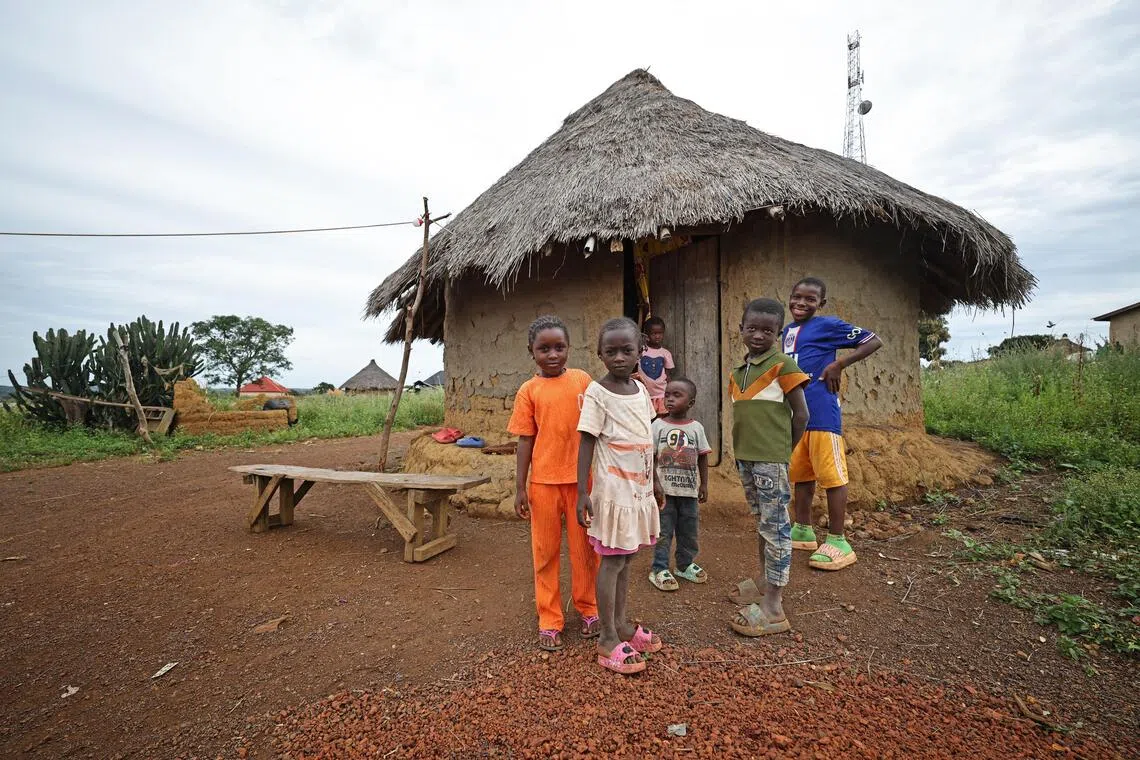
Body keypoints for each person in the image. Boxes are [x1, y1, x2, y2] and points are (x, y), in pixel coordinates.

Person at [576, 317, 664, 674]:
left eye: (626, 350)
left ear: (640, 352)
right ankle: (608, 637)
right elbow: (586, 441)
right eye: (610, 351)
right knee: (612, 561)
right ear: (599, 354)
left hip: (638, 490)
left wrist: (654, 479)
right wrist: (583, 491)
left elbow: (646, 438)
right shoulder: (598, 393)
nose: (618, 358)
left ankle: (624, 624)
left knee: (627, 559)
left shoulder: (642, 391)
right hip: (613, 493)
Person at [507, 315, 600, 651]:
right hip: (543, 485)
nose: (552, 354)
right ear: (532, 352)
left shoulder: (583, 381)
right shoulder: (528, 390)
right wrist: (520, 487)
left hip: (581, 484)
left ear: (569, 349)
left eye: (559, 347)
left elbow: (596, 428)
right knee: (544, 553)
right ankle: (549, 618)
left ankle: (589, 608)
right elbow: (525, 441)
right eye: (543, 348)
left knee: (586, 551)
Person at [782, 277, 883, 572]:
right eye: (796, 296)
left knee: (831, 475)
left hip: (823, 412)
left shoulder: (827, 325)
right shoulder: (788, 331)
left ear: (821, 304)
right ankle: (803, 529)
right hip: (797, 416)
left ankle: (839, 541)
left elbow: (873, 340)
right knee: (802, 472)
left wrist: (840, 364)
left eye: (810, 299)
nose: (801, 303)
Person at [727, 298, 810, 637]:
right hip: (746, 458)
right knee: (763, 523)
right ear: (741, 329)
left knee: (776, 530)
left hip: (770, 459)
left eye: (767, 330)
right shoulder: (738, 372)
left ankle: (774, 607)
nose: (758, 335)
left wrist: (781, 452)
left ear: (779, 333)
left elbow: (801, 415)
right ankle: (764, 583)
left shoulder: (784, 365)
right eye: (752, 328)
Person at [648, 378, 712, 591]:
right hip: (664, 492)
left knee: (689, 531)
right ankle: (659, 568)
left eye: (677, 395)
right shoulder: (657, 426)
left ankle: (684, 565)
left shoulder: (696, 428)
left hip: (689, 492)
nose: (670, 399)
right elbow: (651, 457)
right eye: (668, 395)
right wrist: (654, 483)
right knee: (663, 531)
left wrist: (704, 485)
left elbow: (703, 457)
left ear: (691, 403)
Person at [636, 316, 675, 417]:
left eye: (660, 333)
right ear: (647, 335)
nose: (657, 336)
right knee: (647, 419)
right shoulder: (641, 351)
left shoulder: (665, 353)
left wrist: (670, 392)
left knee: (662, 418)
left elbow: (668, 374)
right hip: (644, 394)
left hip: (661, 394)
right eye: (654, 333)